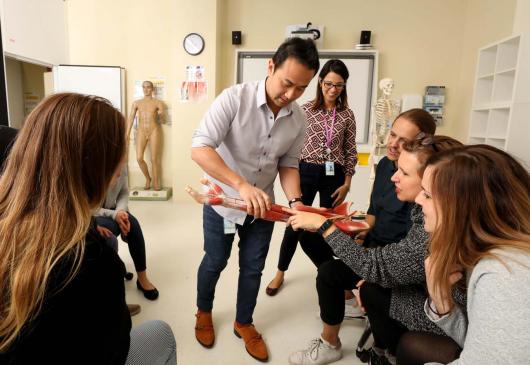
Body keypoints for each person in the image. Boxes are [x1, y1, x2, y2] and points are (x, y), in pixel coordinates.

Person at [0, 93, 176, 364]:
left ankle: (142, 275)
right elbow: (115, 350)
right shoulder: (92, 263)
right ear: (95, 167)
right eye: (119, 152)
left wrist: (102, 220)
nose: (121, 166)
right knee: (159, 333)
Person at [190, 37, 319, 362]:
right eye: (287, 84)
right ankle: (203, 311)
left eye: (301, 89)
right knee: (215, 261)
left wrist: (296, 202)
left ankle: (243, 322)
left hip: (264, 208)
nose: (291, 95)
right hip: (224, 202)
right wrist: (240, 185)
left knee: (253, 269)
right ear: (271, 66)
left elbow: (288, 165)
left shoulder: (298, 119)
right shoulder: (234, 99)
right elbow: (199, 148)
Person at [284, 136, 463, 365]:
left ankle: (385, 353)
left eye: (405, 173)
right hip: (396, 265)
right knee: (320, 253)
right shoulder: (411, 196)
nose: (394, 177)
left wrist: (324, 225)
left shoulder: (432, 229)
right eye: (393, 135)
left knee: (369, 287)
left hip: (428, 303)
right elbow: (373, 218)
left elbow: (380, 265)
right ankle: (343, 339)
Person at [397, 145, 530, 365]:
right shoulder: (488, 255)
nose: (419, 200)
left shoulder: (505, 275)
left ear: (462, 207)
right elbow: (481, 347)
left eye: (428, 195)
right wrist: (443, 303)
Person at [266, 59, 358, 297]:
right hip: (305, 171)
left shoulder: (347, 115)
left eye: (339, 85)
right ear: (320, 82)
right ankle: (280, 272)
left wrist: (347, 183)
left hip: (333, 175)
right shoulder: (303, 110)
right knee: (295, 223)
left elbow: (350, 151)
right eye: (328, 83)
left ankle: (330, 273)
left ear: (344, 86)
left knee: (329, 226)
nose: (332, 89)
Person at [94, 165, 159, 300]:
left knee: (133, 225)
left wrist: (121, 212)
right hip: (93, 216)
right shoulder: (91, 164)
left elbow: (123, 192)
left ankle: (142, 279)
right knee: (108, 236)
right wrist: (114, 215)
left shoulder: (121, 162)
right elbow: (86, 207)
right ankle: (114, 274)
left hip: (114, 211)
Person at [127, 80, 165, 190]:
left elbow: (163, 120)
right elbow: (130, 118)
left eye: (148, 87)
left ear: (152, 89)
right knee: (139, 158)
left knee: (154, 159)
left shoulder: (158, 102)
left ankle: (156, 182)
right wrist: (127, 133)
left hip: (154, 130)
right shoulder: (137, 103)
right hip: (141, 131)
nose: (146, 89)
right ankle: (148, 178)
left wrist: (161, 114)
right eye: (144, 87)